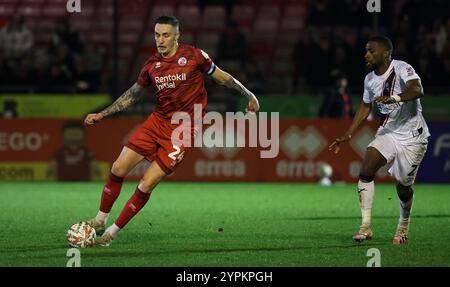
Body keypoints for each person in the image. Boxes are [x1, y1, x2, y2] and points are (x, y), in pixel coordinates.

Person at [82, 16, 259, 247]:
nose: (160, 40)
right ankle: (100, 220)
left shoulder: (195, 56)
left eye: (166, 35)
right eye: (157, 35)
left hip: (183, 131)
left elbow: (223, 78)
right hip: (157, 122)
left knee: (146, 184)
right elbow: (133, 95)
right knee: (118, 168)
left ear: (177, 35)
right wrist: (103, 114)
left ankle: (110, 235)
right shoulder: (151, 66)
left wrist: (249, 95)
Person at [329, 36, 430, 245]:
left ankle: (403, 225)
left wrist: (393, 98)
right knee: (366, 169)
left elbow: (418, 89)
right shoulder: (369, 79)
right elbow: (365, 106)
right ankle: (365, 226)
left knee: (403, 187)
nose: (366, 54)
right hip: (388, 132)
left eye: (371, 51)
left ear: (385, 53)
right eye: (366, 50)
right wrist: (349, 133)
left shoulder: (402, 68)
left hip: (413, 137)